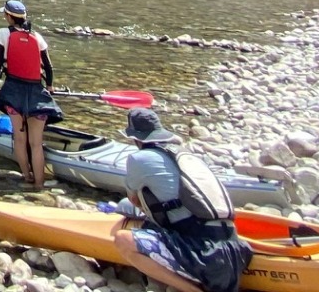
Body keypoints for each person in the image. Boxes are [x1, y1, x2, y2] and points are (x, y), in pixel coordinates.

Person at [102, 108, 254, 292]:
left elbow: (134, 200)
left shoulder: (138, 158)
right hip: (236, 250)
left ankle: (192, 290)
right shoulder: (184, 156)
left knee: (123, 239)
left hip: (204, 255)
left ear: (135, 137)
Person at [0, 0, 59, 190]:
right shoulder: (37, 36)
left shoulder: (3, 33)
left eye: (5, 14)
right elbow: (49, 66)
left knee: (19, 138)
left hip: (13, 91)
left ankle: (26, 176)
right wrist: (50, 86)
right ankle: (39, 184)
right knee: (36, 143)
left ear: (9, 16)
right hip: (37, 92)